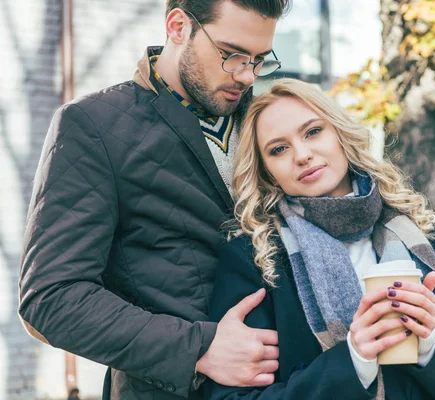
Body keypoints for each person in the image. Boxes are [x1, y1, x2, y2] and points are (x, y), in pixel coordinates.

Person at [18, 1, 290, 399]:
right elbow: (52, 298)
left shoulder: (273, 121)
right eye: (231, 55)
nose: (246, 75)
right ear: (178, 26)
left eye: (259, 59)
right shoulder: (93, 125)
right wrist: (197, 348)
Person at [205, 78, 435, 400]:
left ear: (341, 134)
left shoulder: (432, 247)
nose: (302, 155)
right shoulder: (254, 261)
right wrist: (355, 360)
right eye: (278, 149)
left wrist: (430, 345)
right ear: (267, 172)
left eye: (313, 132)